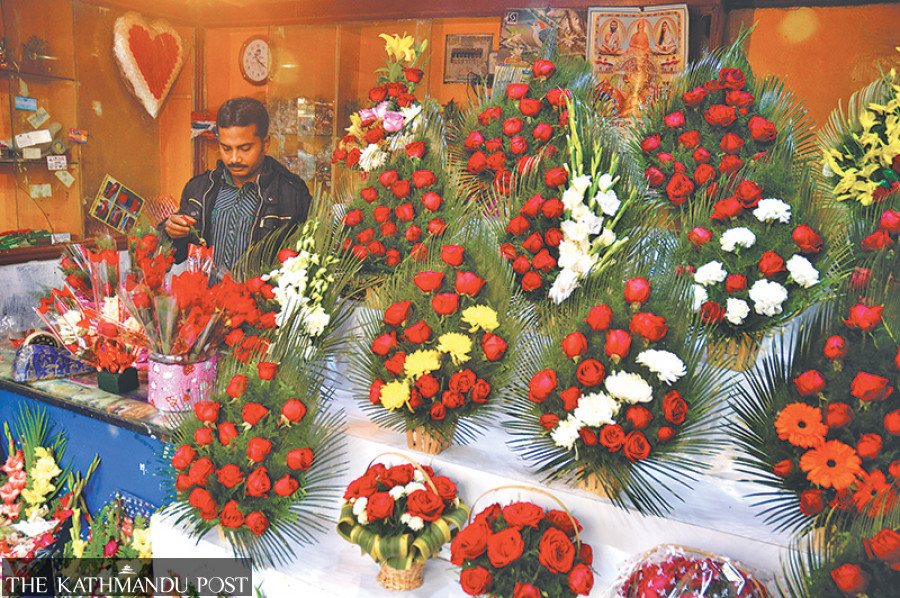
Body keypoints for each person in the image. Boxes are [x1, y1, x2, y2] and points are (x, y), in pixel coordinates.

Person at [162, 97, 312, 272]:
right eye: (226, 148)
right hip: (207, 289)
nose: (234, 159)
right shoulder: (199, 189)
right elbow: (177, 256)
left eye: (245, 148)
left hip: (262, 290)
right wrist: (171, 233)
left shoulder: (292, 195)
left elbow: (306, 264)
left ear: (265, 144)